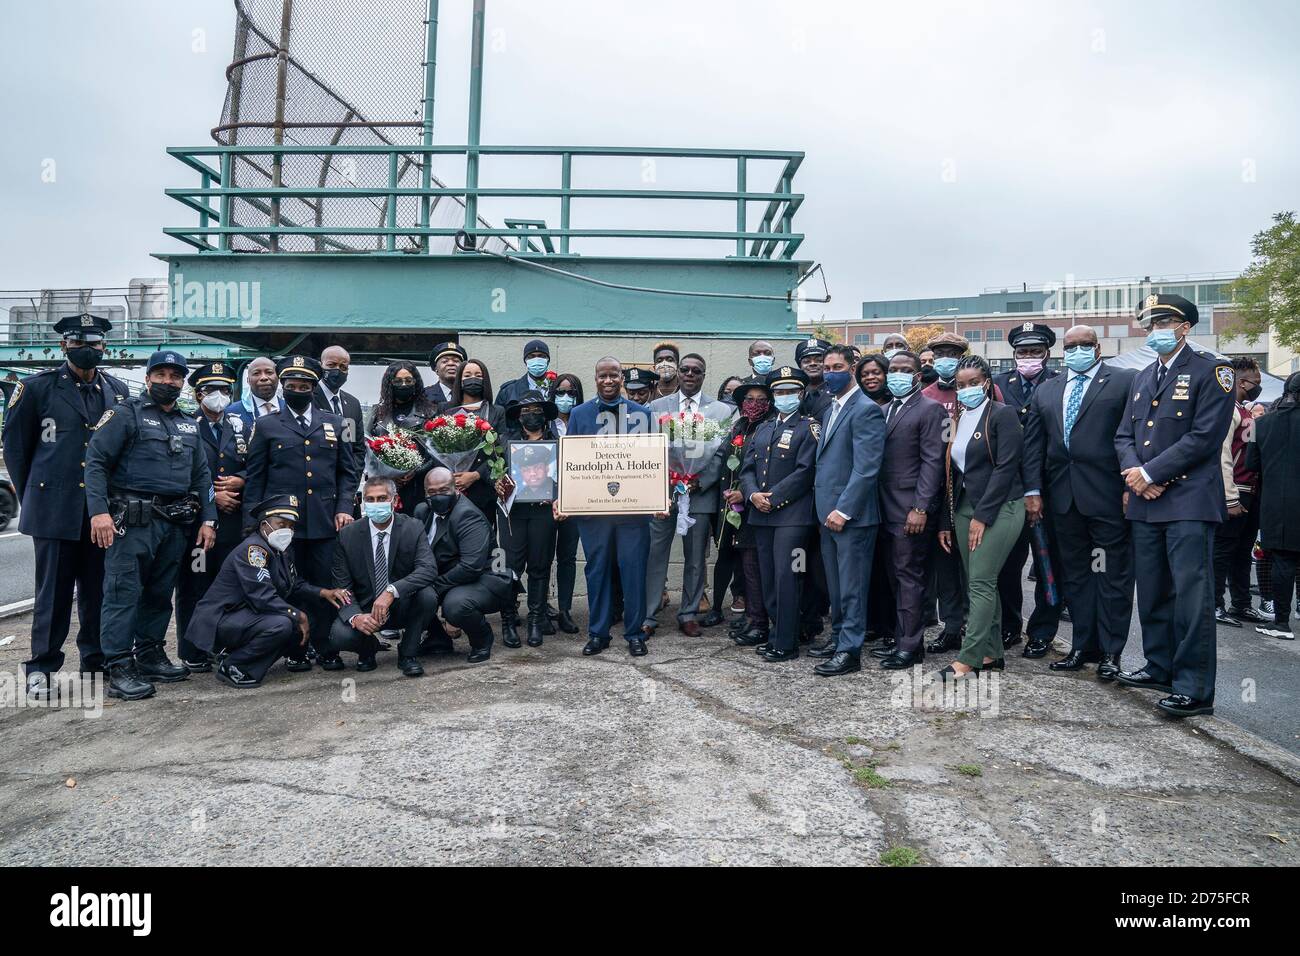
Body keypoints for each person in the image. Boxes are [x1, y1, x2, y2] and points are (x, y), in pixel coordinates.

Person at [1114, 294, 1235, 718]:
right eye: (1149, 324)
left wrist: (1150, 475)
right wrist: (1135, 474)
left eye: (1163, 322)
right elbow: (1123, 437)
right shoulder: (1144, 375)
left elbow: (1203, 437)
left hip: (1187, 500)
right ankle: (1159, 666)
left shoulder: (1212, 371)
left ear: (1185, 326)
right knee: (1151, 591)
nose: (1155, 331)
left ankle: (1194, 688)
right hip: (1146, 504)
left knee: (1191, 596)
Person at [2, 313, 130, 698]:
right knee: (52, 594)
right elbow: (17, 451)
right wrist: (36, 501)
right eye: (78, 344)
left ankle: (95, 659)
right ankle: (41, 665)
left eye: (94, 344)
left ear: (105, 346)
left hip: (101, 512)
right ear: (64, 346)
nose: (87, 350)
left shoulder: (119, 391)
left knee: (98, 592)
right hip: (55, 510)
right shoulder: (36, 388)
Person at [85, 350, 217, 701]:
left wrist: (208, 518)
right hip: (131, 521)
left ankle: (150, 653)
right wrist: (98, 512)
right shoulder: (125, 414)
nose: (168, 381)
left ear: (182, 382)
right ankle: (118, 665)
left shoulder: (189, 423)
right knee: (122, 592)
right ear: (147, 378)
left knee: (160, 594)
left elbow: (202, 475)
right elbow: (96, 462)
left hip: (174, 522)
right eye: (161, 374)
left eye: (175, 376)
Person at [1023, 325, 1135, 679]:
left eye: (1084, 345)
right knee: (1077, 577)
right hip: (1063, 499)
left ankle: (1111, 653)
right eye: (1070, 346)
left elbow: (1131, 435)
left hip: (1107, 498)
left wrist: (1129, 484)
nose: (1076, 351)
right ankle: (1082, 646)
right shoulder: (1048, 389)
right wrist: (1033, 490)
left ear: (1097, 348)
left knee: (1112, 577)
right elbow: (1034, 446)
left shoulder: (1122, 381)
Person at [242, 355, 357, 672]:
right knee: (287, 586)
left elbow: (348, 472)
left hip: (324, 520)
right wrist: (252, 524)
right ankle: (296, 648)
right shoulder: (266, 425)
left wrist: (344, 508)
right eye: (291, 385)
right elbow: (256, 479)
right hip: (282, 524)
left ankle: (326, 646)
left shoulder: (334, 423)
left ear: (312, 387)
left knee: (325, 585)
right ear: (283, 386)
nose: (297, 390)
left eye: (304, 385)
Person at [186, 495, 346, 688]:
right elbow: (262, 596)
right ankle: (234, 665)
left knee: (295, 623)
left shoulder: (280, 550)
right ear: (264, 525)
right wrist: (298, 615)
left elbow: (294, 584)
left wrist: (323, 593)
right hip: (221, 618)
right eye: (281, 524)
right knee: (282, 623)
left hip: (244, 615)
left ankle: (254, 660)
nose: (287, 530)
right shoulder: (254, 550)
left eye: (291, 526)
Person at [936, 355, 1025, 680]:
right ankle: (991, 653)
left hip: (999, 508)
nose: (967, 389)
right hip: (963, 507)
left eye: (973, 383)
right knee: (978, 582)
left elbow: (1006, 468)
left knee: (982, 583)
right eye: (961, 385)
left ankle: (968, 658)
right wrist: (948, 520)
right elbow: (953, 472)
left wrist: (983, 516)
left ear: (986, 382)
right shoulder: (959, 417)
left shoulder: (1003, 415)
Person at [564, 357, 653, 657]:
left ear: (622, 378)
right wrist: (565, 498)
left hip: (633, 512)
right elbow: (572, 463)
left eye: (614, 375)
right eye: (602, 375)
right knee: (597, 571)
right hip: (594, 513)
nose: (608, 380)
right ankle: (598, 633)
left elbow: (651, 462)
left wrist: (658, 497)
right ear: (595, 378)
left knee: (633, 570)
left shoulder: (643, 413)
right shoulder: (579, 414)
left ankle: (635, 632)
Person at [809, 344, 886, 676]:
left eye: (837, 366)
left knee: (852, 586)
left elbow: (867, 468)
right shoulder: (831, 409)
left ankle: (850, 651)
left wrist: (844, 510)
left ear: (852, 367)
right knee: (836, 585)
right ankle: (838, 636)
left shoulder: (865, 409)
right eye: (826, 368)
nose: (830, 372)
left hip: (850, 517)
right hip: (827, 515)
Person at [867, 351, 946, 670]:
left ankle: (911, 646)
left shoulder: (931, 409)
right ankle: (901, 639)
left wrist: (920, 507)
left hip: (909, 509)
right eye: (893, 370)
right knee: (894, 578)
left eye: (905, 370)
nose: (898, 374)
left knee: (909, 577)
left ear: (916, 375)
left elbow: (933, 462)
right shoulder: (883, 409)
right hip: (882, 508)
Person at [645, 353, 731, 637]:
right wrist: (666, 477)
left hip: (700, 494)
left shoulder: (720, 411)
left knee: (696, 558)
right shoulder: (655, 408)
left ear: (704, 375)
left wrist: (699, 481)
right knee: (656, 554)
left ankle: (689, 612)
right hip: (663, 493)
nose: (690, 374)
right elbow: (647, 449)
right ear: (678, 373)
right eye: (686, 370)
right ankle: (649, 613)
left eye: (697, 371)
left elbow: (721, 453)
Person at [992, 323, 1063, 656]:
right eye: (1023, 352)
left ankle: (1042, 631)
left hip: (1048, 486)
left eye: (1035, 352)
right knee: (1008, 564)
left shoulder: (1059, 383)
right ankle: (1010, 626)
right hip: (1009, 487)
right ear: (1014, 354)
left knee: (1048, 563)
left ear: (1047, 353)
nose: (1029, 357)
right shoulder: (997, 384)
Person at [739, 366, 819, 662]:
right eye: (779, 392)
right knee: (768, 577)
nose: (784, 396)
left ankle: (787, 642)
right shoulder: (763, 428)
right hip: (761, 516)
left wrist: (774, 498)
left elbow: (806, 471)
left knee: (789, 577)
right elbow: (747, 469)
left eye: (790, 392)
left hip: (793, 518)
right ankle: (776, 635)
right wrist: (752, 495)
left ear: (800, 394)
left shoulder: (808, 427)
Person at [175, 362, 250, 672]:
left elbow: (255, 464)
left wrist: (241, 480)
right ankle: (192, 649)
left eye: (224, 389)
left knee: (229, 584)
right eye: (211, 390)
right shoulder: (184, 425)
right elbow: (178, 474)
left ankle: (222, 643)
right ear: (198, 394)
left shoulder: (239, 426)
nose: (218, 395)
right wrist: (211, 496)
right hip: (196, 524)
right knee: (195, 585)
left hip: (233, 523)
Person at [328, 477, 439, 675]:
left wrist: (391, 591)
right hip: (366, 608)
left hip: (401, 604)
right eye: (370, 500)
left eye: (382, 498)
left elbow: (428, 569)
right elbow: (342, 586)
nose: (375, 504)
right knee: (339, 635)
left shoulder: (412, 527)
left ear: (395, 501)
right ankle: (367, 649)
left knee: (427, 596)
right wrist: (355, 617)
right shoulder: (348, 535)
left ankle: (408, 654)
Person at [412, 468, 514, 662]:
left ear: (456, 489)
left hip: (485, 579)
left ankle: (482, 639)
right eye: (432, 492)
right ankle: (437, 639)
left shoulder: (468, 515)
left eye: (443, 490)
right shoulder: (422, 511)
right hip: (449, 577)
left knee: (455, 606)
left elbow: (470, 567)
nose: (438, 496)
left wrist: (434, 586)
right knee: (413, 591)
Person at [496, 391, 560, 647]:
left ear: (544, 415)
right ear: (518, 418)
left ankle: (535, 619)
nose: (530, 415)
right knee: (510, 568)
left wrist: (557, 495)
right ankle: (508, 622)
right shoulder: (503, 442)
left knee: (540, 565)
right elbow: (492, 474)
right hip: (513, 514)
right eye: (525, 411)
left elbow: (567, 479)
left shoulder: (558, 443)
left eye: (536, 410)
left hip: (544, 513)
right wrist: (497, 484)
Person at [717, 377, 773, 644]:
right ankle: (752, 616)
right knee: (744, 567)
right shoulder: (739, 425)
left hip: (760, 507)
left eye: (761, 400)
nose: (754, 404)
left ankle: (760, 622)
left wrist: (746, 493)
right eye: (749, 400)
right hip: (736, 510)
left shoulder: (770, 426)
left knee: (755, 567)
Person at [1213, 357, 1267, 627]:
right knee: (1222, 550)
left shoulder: (1244, 410)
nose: (1258, 387)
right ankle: (1214, 603)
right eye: (1256, 383)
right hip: (1235, 488)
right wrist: (1229, 495)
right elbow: (1222, 453)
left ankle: (1241, 602)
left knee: (1243, 550)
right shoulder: (1227, 409)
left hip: (1251, 489)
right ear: (1242, 382)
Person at [1247, 371, 1300, 640]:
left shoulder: (1261, 424)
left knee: (1282, 560)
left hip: (1276, 502)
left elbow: (1250, 464)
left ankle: (1281, 622)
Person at [438, 358, 505, 529]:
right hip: (451, 487)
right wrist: (452, 477)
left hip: (482, 490)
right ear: (460, 380)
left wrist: (475, 475)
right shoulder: (444, 410)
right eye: (467, 375)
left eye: (478, 375)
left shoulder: (496, 411)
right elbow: (437, 449)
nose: (473, 378)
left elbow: (500, 451)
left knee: (482, 540)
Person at [369, 361, 440, 514]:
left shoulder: (431, 412)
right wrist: (388, 475)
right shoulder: (376, 413)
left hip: (420, 486)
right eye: (397, 381)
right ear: (389, 383)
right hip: (385, 488)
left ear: (416, 382)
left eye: (408, 380)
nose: (403, 384)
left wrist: (414, 472)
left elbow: (437, 453)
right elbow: (367, 450)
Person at [550, 373, 583, 633]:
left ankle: (565, 609)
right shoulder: (546, 421)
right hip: (547, 498)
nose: (565, 398)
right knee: (542, 556)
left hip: (576, 497)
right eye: (559, 392)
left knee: (568, 557)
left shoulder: (584, 420)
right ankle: (542, 607)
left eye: (570, 393)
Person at [315, 345, 367, 497]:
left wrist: (350, 484)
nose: (337, 370)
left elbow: (357, 448)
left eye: (343, 367)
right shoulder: (309, 399)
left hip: (347, 489)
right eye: (331, 365)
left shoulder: (352, 404)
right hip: (318, 487)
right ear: (321, 366)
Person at [497, 339, 555, 408]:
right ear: (525, 361)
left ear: (548, 361)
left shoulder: (558, 388)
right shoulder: (509, 390)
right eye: (531, 356)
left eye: (541, 356)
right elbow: (499, 416)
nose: (536, 359)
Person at [233, 356, 282, 429]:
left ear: (278, 377)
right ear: (248, 380)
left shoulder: (290, 408)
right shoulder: (233, 412)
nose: (263, 377)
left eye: (269, 372)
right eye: (256, 373)